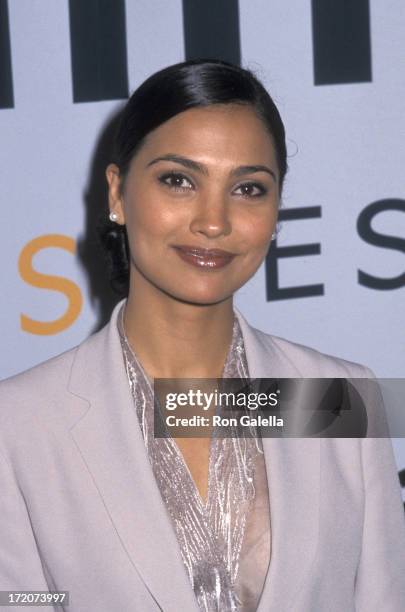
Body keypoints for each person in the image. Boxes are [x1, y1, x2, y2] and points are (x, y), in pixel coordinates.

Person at [0, 58, 404, 612]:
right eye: (178, 180)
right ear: (117, 193)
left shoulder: (337, 398)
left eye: (249, 189)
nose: (213, 221)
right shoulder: (20, 424)